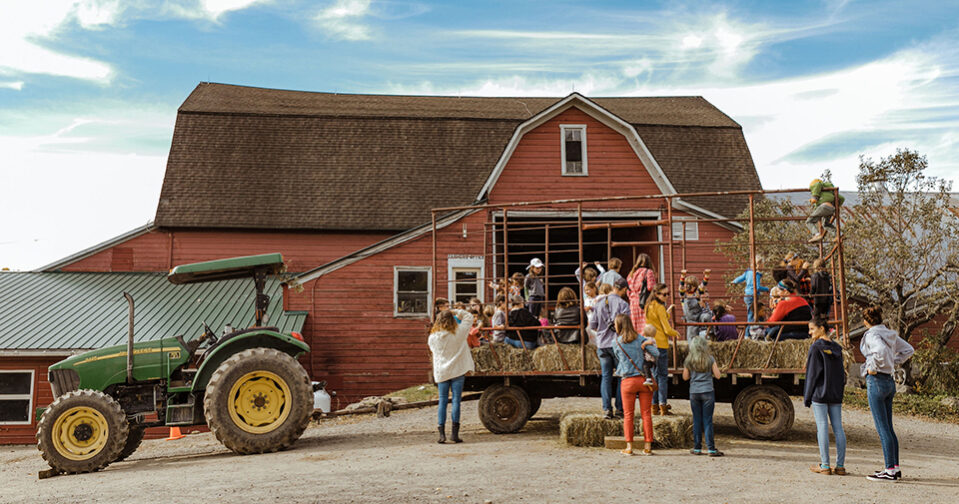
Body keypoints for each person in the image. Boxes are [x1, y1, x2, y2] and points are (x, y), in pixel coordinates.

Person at [861, 306, 914, 482]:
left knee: (882, 428)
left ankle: (889, 470)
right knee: (889, 428)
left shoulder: (871, 334)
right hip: (889, 381)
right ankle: (895, 467)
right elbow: (909, 350)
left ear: (866, 321)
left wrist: (872, 367)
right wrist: (893, 363)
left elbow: (881, 352)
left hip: (876, 381)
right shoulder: (889, 333)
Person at [803, 316, 847, 476]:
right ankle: (840, 465)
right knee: (838, 428)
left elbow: (812, 374)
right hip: (835, 393)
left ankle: (825, 465)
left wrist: (807, 397)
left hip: (820, 394)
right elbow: (842, 374)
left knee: (822, 426)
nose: (809, 332)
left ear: (822, 328)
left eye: (812, 329)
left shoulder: (816, 348)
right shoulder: (837, 348)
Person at [612, 314, 658, 456]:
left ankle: (629, 447)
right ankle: (648, 446)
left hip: (627, 381)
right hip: (644, 380)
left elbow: (618, 358)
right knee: (646, 414)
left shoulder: (617, 342)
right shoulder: (641, 339)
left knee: (628, 415)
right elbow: (657, 354)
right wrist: (648, 344)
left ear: (619, 326)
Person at [428, 308, 475, 444]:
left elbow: (433, 352)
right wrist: (454, 311)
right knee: (456, 401)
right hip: (457, 370)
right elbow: (469, 317)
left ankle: (441, 434)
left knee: (442, 401)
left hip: (442, 372)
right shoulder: (459, 332)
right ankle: (454, 434)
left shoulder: (433, 337)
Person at [588, 277, 630, 418]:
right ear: (623, 289)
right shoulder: (623, 305)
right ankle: (619, 409)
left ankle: (607, 409)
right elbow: (627, 327)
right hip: (618, 345)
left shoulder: (599, 304)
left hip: (602, 345)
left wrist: (602, 330)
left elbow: (592, 325)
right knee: (620, 377)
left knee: (606, 377)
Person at [683, 336, 723, 456]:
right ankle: (711, 448)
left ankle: (697, 448)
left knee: (696, 420)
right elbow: (718, 375)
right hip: (708, 392)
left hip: (694, 392)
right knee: (708, 420)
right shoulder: (710, 359)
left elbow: (685, 377)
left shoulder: (689, 360)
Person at [645, 282, 678, 415]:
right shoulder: (659, 307)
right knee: (663, 376)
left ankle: (654, 406)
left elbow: (658, 320)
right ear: (657, 294)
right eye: (664, 294)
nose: (666, 296)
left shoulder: (649, 306)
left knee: (654, 376)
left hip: (651, 343)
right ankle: (663, 405)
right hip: (661, 345)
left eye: (667, 294)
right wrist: (676, 333)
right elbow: (667, 329)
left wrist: (667, 311)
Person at [806, 178, 845, 243]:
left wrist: (814, 197)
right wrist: (836, 207)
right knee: (826, 224)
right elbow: (842, 198)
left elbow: (817, 184)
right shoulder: (830, 190)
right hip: (831, 209)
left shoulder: (817, 185)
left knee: (809, 221)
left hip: (824, 207)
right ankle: (839, 235)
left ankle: (816, 235)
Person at [731, 258, 770, 323]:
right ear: (759, 264)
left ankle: (757, 325)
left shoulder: (748, 272)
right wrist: (766, 289)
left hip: (747, 295)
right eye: (763, 264)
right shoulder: (756, 274)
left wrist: (735, 281)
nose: (763, 265)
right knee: (751, 314)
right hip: (753, 295)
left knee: (754, 312)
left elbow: (741, 278)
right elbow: (756, 287)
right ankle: (749, 330)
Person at [627, 253, 657, 334]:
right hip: (644, 302)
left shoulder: (631, 273)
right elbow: (651, 287)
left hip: (633, 303)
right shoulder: (649, 272)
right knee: (644, 327)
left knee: (634, 326)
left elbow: (628, 290)